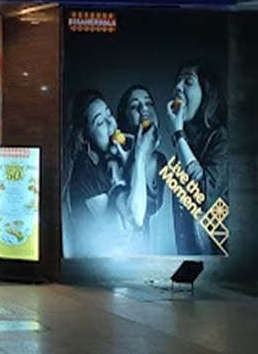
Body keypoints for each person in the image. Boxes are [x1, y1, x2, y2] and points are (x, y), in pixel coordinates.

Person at [63, 90, 135, 257]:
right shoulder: (85, 174)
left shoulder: (109, 162)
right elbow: (122, 233)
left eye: (109, 114)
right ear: (85, 136)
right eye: (100, 122)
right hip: (94, 269)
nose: (111, 123)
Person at [167, 63, 228, 255]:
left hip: (219, 260)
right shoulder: (182, 147)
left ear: (206, 92)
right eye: (177, 82)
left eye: (188, 82)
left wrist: (178, 133)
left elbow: (202, 196)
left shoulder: (221, 138)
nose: (178, 87)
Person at [116, 85, 172, 254]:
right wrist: (140, 155)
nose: (144, 109)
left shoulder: (160, 160)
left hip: (152, 257)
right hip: (119, 258)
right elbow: (135, 216)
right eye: (134, 106)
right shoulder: (115, 160)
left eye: (149, 103)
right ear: (124, 117)